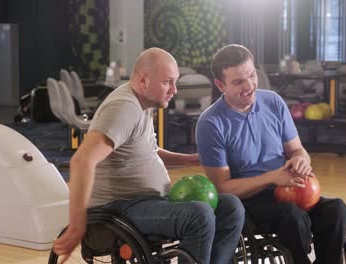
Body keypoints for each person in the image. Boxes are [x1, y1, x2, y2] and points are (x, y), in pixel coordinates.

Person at [53, 47, 245, 264]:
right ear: (144, 80)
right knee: (198, 215)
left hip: (148, 202)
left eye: (175, 82)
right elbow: (82, 161)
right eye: (167, 82)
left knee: (230, 206)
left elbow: (148, 151)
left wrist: (189, 159)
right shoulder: (124, 108)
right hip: (117, 208)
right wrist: (77, 224)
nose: (174, 89)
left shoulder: (143, 103)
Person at [196, 44, 346, 264]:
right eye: (238, 81)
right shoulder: (210, 123)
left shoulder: (273, 102)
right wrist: (273, 177)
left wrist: (300, 160)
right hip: (249, 201)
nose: (249, 85)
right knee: (291, 215)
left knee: (336, 209)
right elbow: (222, 188)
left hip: (286, 189)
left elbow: (297, 150)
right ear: (220, 85)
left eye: (251, 75)